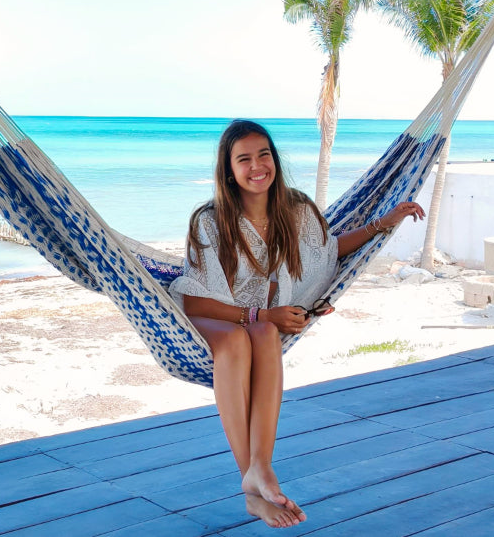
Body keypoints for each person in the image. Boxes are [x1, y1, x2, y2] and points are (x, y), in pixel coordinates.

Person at [170, 119, 425, 529]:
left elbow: (326, 255)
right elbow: (196, 298)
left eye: (264, 154)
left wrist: (383, 223)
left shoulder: (297, 209)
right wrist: (259, 314)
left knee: (267, 333)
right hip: (209, 317)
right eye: (245, 159)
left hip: (261, 322)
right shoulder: (209, 220)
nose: (257, 166)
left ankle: (260, 474)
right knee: (237, 341)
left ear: (274, 159)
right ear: (229, 170)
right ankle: (253, 481)